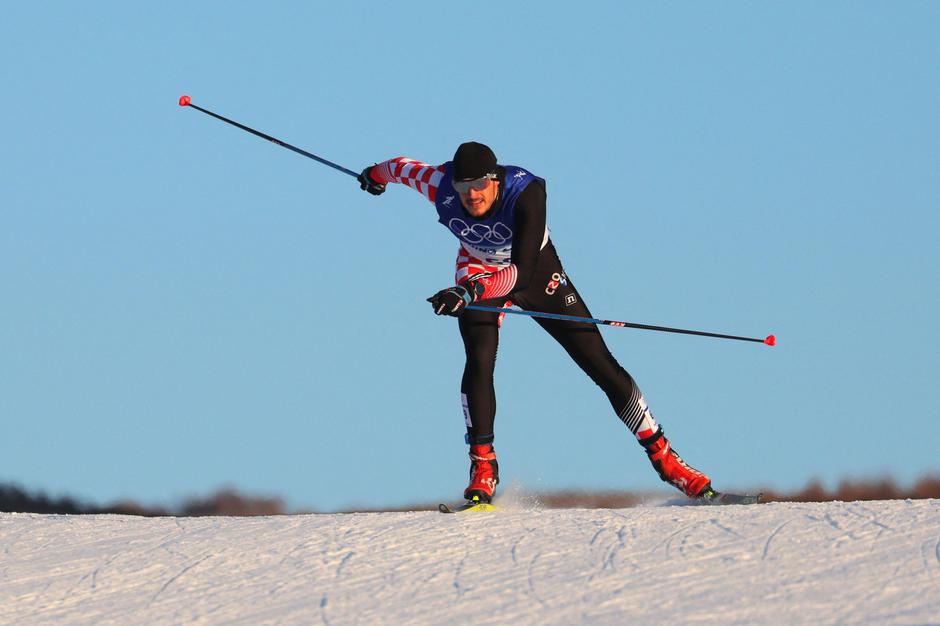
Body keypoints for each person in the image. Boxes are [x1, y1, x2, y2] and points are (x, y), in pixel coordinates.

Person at [358, 142, 714, 504]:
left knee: (599, 362)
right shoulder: (438, 183)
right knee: (479, 359)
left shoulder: (526, 191)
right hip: (477, 268)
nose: (472, 195)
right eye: (463, 187)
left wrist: (469, 292)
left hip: (534, 271)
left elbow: (522, 272)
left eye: (480, 185)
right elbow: (399, 167)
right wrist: (373, 176)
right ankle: (483, 467)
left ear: (495, 180)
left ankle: (666, 460)